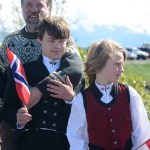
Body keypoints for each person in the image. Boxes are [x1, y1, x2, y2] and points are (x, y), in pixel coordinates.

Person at [0, 0, 80, 149]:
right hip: (21, 134)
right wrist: (10, 118)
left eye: (39, 5)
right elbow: (3, 85)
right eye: (29, 4)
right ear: (22, 7)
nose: (34, 10)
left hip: (60, 138)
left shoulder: (64, 38)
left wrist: (39, 90)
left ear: (49, 7)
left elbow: (75, 69)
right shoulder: (9, 42)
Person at [67, 40, 150, 150]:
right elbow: (76, 140)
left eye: (122, 64)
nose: (122, 70)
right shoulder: (82, 100)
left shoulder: (130, 95)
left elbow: (142, 136)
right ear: (100, 63)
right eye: (117, 64)